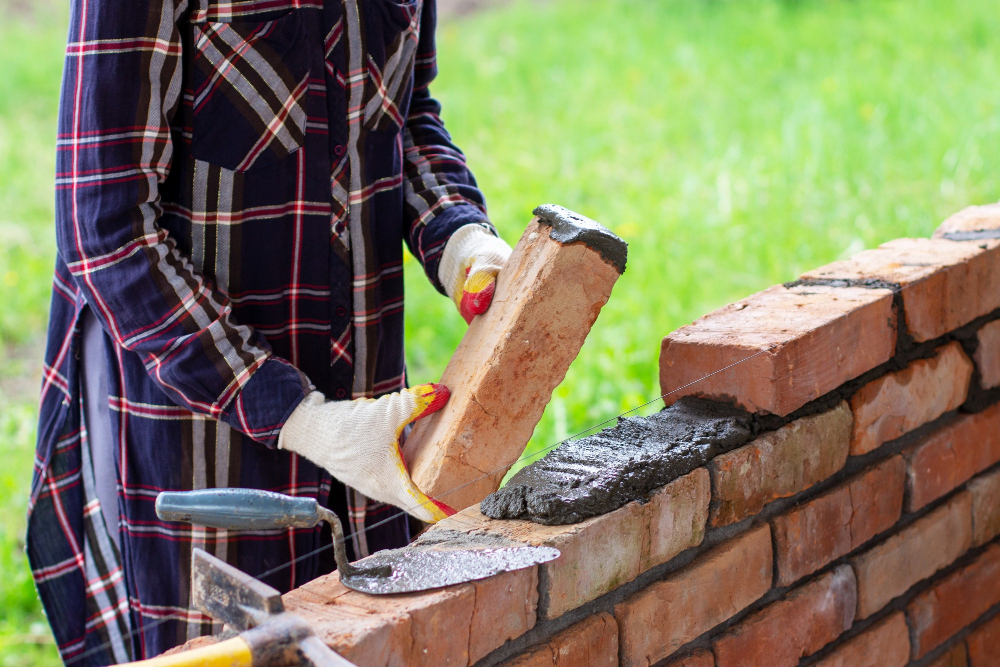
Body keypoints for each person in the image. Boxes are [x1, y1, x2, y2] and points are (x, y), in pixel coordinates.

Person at [26, 1, 511, 664]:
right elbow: (107, 230)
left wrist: (458, 236)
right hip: (196, 437)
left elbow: (404, 113)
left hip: (368, 432)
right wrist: (301, 417)